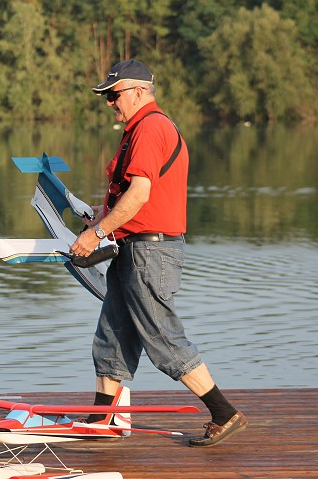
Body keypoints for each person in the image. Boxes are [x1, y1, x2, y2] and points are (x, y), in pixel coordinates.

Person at [69, 59, 247, 447]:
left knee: (162, 338)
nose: (109, 103)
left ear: (138, 91)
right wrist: (98, 219)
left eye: (113, 95)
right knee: (112, 337)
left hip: (150, 253)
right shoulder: (140, 129)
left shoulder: (150, 128)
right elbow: (127, 194)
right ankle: (103, 420)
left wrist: (97, 232)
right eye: (107, 96)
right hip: (132, 248)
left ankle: (223, 412)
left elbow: (140, 194)